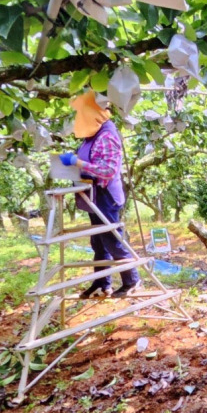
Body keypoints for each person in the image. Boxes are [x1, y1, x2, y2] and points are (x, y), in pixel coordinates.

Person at [59, 90, 140, 299]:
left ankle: (132, 280)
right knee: (98, 242)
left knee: (112, 240)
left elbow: (108, 170)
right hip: (93, 194)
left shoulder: (107, 135)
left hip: (105, 196)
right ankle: (102, 283)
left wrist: (77, 163)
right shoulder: (92, 135)